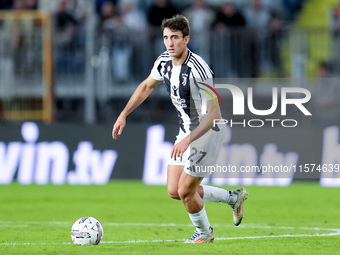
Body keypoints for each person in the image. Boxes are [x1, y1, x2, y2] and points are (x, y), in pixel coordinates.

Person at [112, 15, 248, 243]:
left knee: (186, 190)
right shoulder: (163, 61)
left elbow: (214, 115)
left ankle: (205, 233)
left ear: (186, 39)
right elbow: (146, 86)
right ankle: (233, 198)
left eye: (175, 37)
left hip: (207, 133)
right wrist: (124, 114)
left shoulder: (198, 69)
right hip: (186, 131)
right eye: (166, 37)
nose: (169, 43)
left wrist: (188, 140)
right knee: (175, 191)